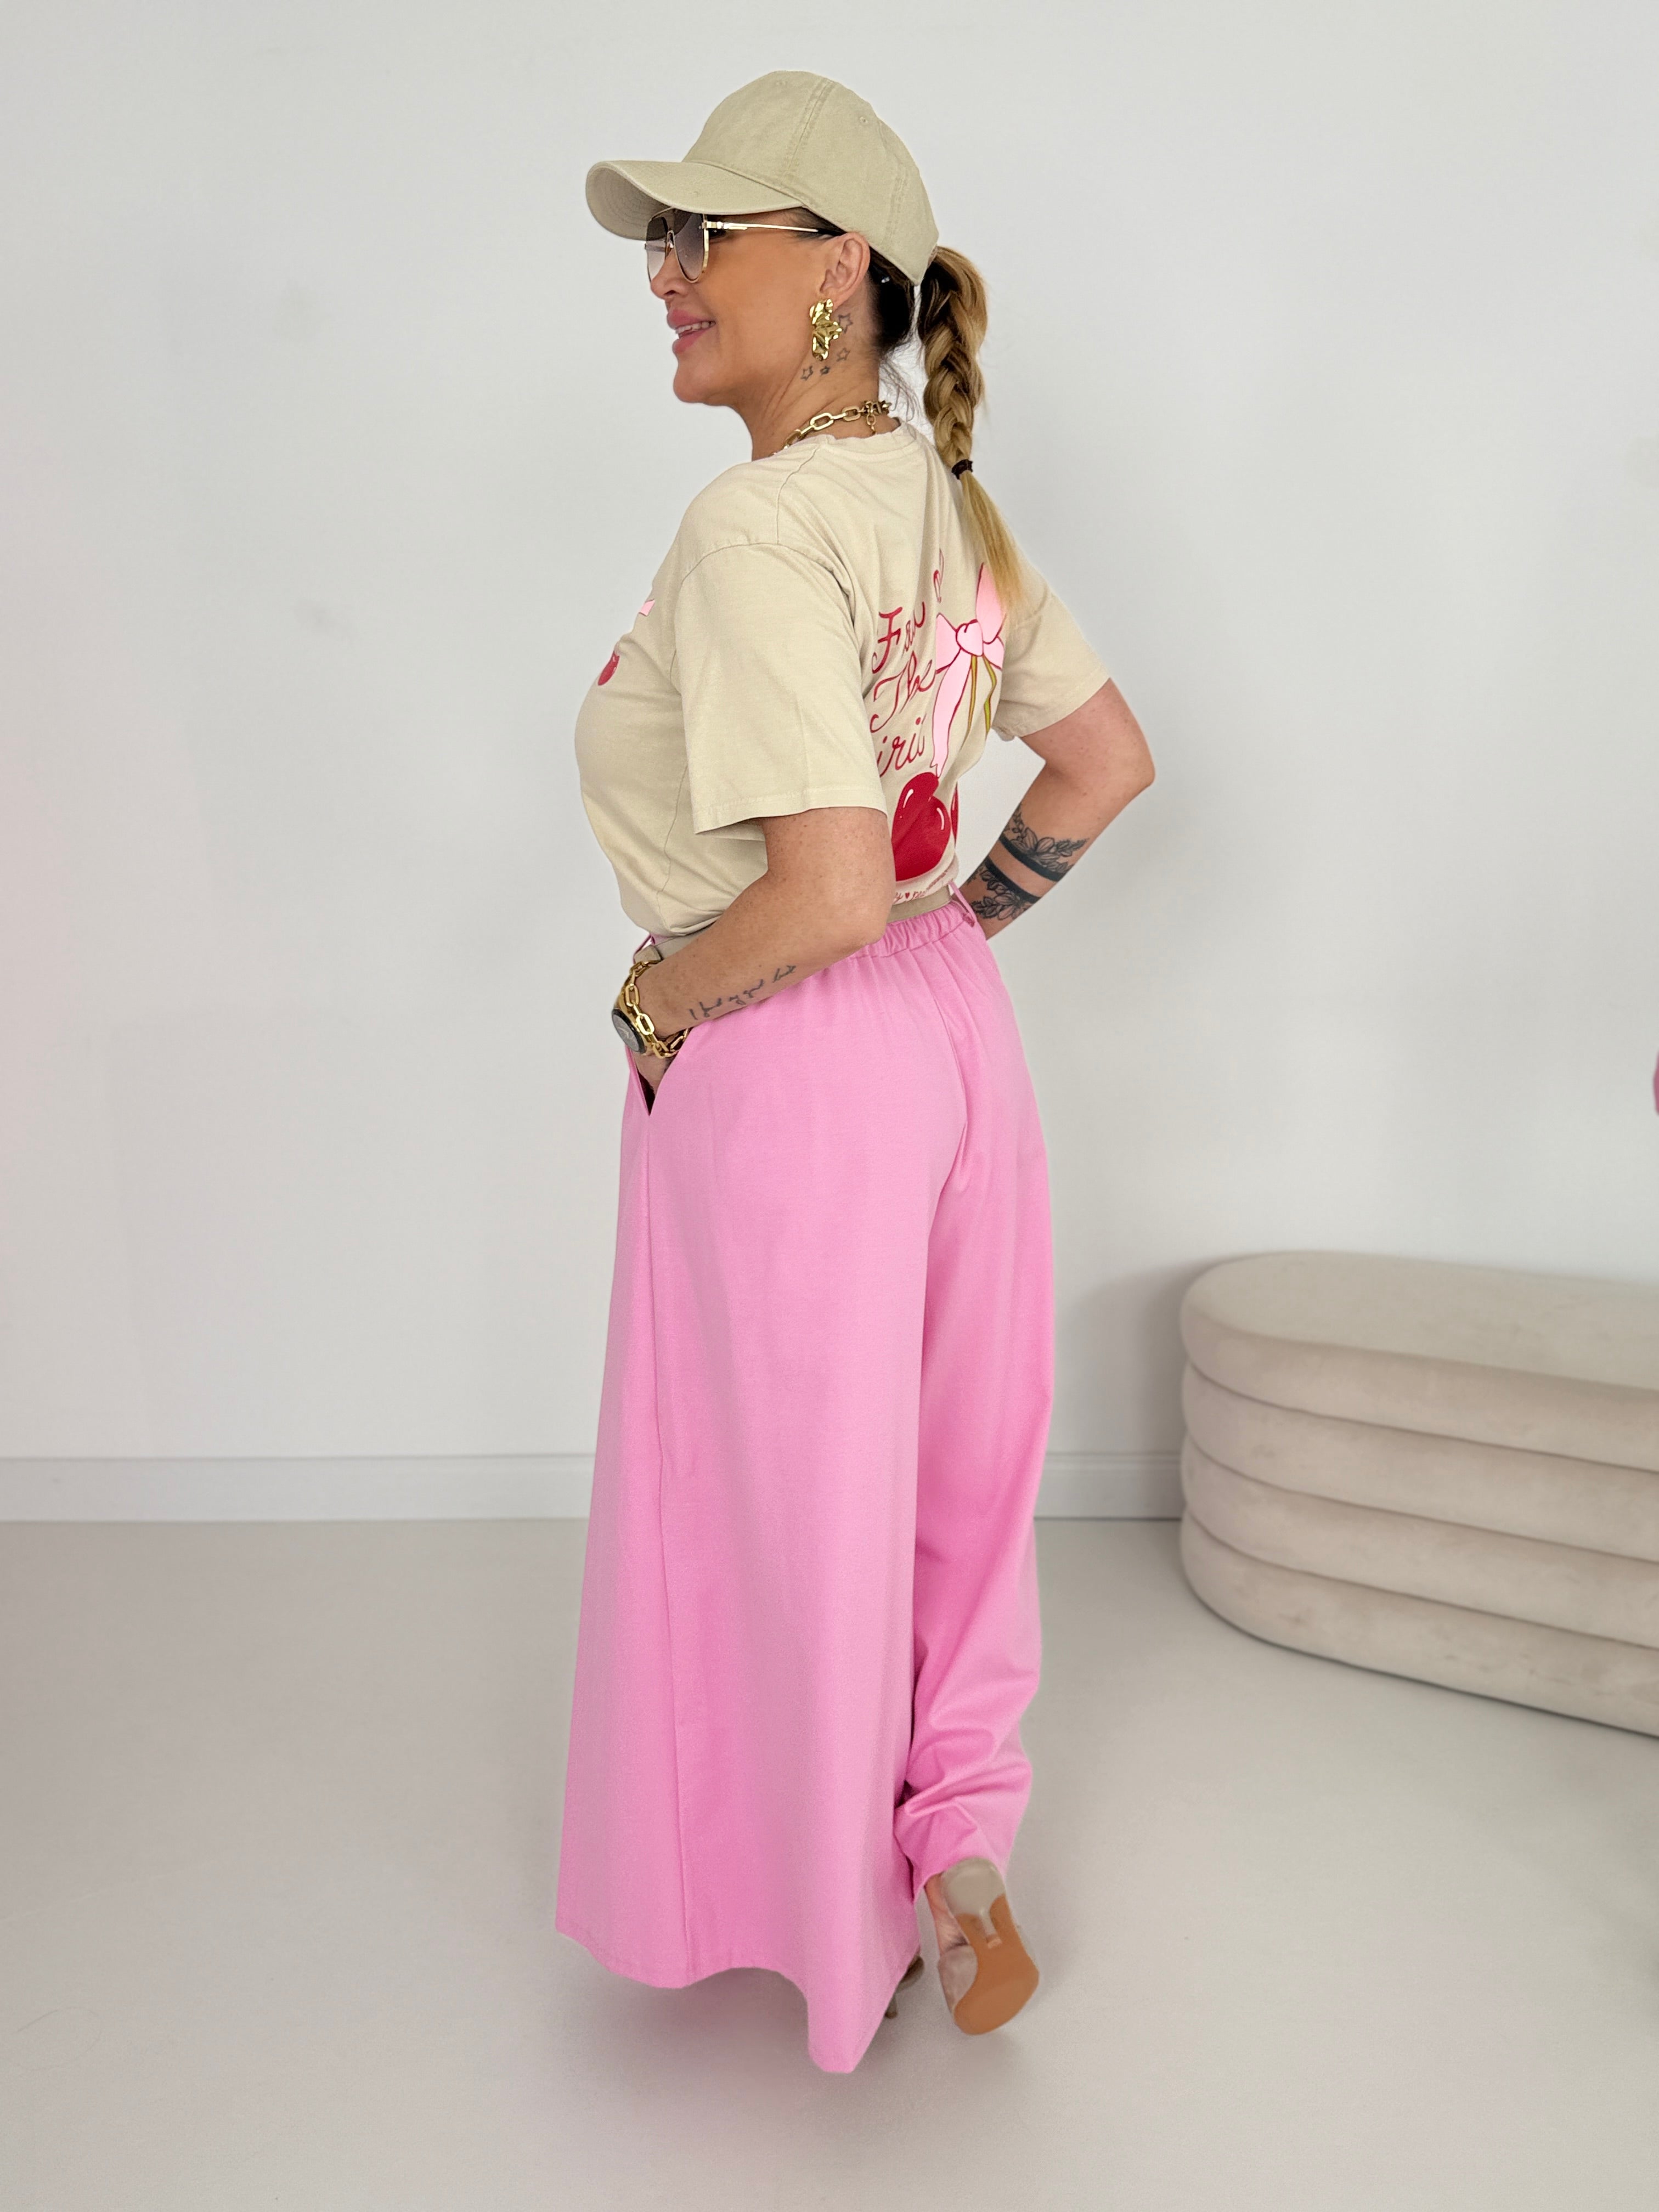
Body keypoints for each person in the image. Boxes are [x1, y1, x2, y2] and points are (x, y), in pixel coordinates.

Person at [558, 70, 1155, 2075]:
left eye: (701, 235)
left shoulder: (754, 527)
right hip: (947, 1037)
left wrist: (657, 1010)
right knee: (950, 1476)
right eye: (663, 238)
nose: (665, 274)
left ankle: (842, 1926)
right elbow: (1102, 765)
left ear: (838, 271)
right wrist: (947, 942)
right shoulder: (945, 503)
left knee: (790, 1505)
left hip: (790, 1055)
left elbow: (812, 892)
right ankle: (956, 1836)